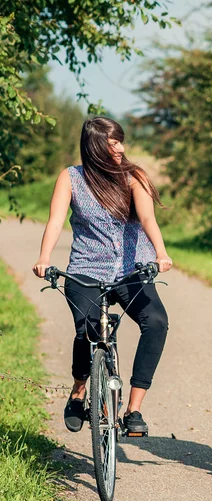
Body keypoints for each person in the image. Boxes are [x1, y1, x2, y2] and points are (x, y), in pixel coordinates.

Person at [32, 117, 173, 436]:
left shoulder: (134, 177)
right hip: (85, 270)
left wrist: (161, 252)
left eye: (120, 141)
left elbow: (148, 218)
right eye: (112, 143)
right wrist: (43, 258)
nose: (120, 148)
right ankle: (79, 392)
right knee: (87, 330)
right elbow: (55, 221)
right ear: (94, 148)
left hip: (131, 270)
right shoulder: (71, 178)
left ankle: (133, 409)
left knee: (157, 323)